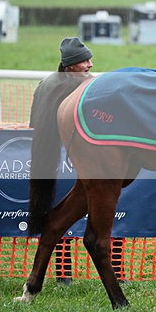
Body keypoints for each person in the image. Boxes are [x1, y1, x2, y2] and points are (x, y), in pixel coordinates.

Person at [30, 37, 105, 285]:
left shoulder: (45, 85)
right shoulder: (86, 87)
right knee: (61, 216)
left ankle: (63, 274)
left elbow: (34, 124)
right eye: (84, 61)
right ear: (69, 65)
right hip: (68, 160)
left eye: (89, 59)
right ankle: (63, 274)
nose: (90, 65)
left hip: (59, 158)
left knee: (59, 216)